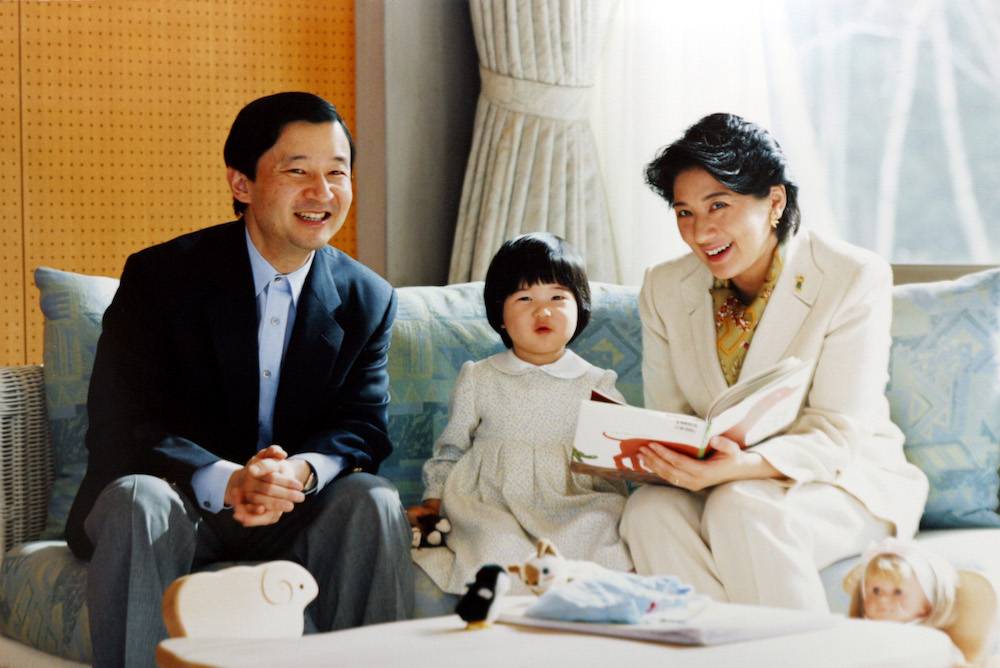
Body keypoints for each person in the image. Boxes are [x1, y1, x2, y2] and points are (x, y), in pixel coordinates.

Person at [65, 92, 414, 667]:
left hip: (291, 513)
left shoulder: (367, 298)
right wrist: (230, 481)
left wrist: (297, 474)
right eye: (297, 172)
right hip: (177, 502)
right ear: (242, 184)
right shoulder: (160, 278)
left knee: (370, 500)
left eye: (337, 173)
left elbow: (363, 426)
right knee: (136, 498)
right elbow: (121, 421)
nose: (322, 193)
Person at [620, 112, 928, 611]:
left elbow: (837, 429)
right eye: (684, 213)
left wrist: (739, 469)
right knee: (648, 510)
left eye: (718, 205)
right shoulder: (664, 287)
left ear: (775, 202)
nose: (701, 232)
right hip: (716, 479)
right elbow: (670, 417)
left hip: (842, 478)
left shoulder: (851, 275)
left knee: (741, 506)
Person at [406, 233, 633, 595]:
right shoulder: (480, 377)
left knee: (599, 527)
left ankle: (581, 611)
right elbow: (451, 448)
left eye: (558, 297)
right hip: (492, 500)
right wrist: (434, 498)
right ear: (500, 314)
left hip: (572, 498)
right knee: (495, 545)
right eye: (524, 298)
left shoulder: (597, 382)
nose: (542, 311)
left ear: (581, 307)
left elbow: (620, 452)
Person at [843, 537, 998, 665]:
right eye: (875, 591)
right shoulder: (858, 634)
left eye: (897, 592)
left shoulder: (936, 644)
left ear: (926, 606)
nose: (883, 599)